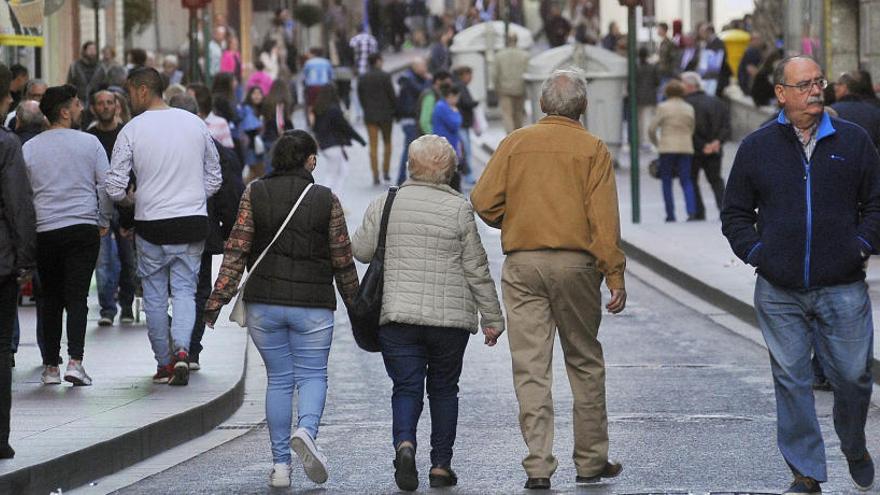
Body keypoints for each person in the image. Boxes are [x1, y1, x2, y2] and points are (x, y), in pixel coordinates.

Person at [722, 55, 880, 495]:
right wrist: (758, 253)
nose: (816, 90)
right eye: (805, 84)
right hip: (779, 288)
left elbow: (877, 204)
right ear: (781, 94)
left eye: (820, 82)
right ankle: (805, 472)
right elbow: (734, 212)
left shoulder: (854, 140)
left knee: (853, 375)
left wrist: (861, 245)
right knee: (791, 379)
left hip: (843, 284)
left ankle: (852, 443)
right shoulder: (757, 147)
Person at [470, 69, 626, 491]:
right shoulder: (592, 148)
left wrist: (515, 220)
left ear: (541, 105)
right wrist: (614, 273)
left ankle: (538, 464)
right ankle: (591, 460)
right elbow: (604, 220)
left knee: (531, 367)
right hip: (576, 264)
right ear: (584, 106)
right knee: (584, 361)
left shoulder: (515, 143)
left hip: (522, 263)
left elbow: (482, 201)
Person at [205, 130, 358, 488]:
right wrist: (356, 302)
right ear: (310, 161)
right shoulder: (325, 198)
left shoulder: (254, 192)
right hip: (313, 306)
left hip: (265, 305)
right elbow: (342, 257)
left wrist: (218, 299)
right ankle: (306, 430)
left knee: (279, 379)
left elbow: (237, 249)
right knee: (312, 375)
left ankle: (280, 466)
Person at [352, 134, 504, 492]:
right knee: (444, 389)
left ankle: (405, 444)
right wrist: (492, 318)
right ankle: (440, 465)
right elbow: (476, 269)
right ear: (450, 172)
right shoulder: (459, 210)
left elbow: (359, 251)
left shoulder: (387, 203)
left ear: (409, 167)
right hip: (449, 323)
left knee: (406, 387)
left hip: (398, 317)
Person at [105, 67, 222, 386]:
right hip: (192, 222)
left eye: (130, 92)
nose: (128, 99)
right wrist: (192, 194)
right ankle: (184, 350)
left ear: (143, 90)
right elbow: (215, 177)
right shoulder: (195, 125)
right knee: (185, 290)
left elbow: (114, 186)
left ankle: (164, 362)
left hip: (151, 222)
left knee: (156, 295)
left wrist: (132, 200)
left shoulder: (132, 130)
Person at [22, 84, 112, 387]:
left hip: (45, 230)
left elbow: (24, 193)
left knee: (50, 299)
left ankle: (50, 367)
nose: (80, 109)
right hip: (82, 227)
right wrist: (104, 219)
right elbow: (105, 186)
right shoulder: (90, 143)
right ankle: (75, 362)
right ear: (63, 111)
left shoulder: (30, 148)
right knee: (77, 297)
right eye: (75, 104)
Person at [167, 93, 241, 371]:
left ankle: (176, 347)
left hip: (162, 228)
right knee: (197, 290)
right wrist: (227, 228)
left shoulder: (159, 147)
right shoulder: (217, 150)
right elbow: (230, 194)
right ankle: (190, 349)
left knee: (163, 289)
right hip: (201, 228)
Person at [0, 63, 37, 459]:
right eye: (7, 94)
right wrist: (26, 257)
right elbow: (18, 205)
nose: (11, 99)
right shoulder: (6, 144)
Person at [88, 89, 137, 326]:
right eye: (101, 103)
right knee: (103, 262)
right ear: (94, 108)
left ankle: (126, 305)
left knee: (129, 261)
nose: (106, 107)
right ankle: (107, 308)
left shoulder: (127, 132)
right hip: (99, 206)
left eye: (110, 102)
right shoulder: (90, 137)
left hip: (126, 205)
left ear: (116, 106)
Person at [681, 71, 730, 220]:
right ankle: (725, 211)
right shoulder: (718, 102)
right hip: (715, 149)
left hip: (694, 149)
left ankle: (698, 212)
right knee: (716, 180)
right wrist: (717, 142)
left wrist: (702, 145)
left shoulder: (686, 105)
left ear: (689, 86)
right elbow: (727, 126)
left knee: (692, 179)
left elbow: (689, 129)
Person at [649, 79, 697, 222]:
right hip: (686, 147)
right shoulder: (689, 108)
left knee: (666, 181)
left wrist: (657, 143)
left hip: (667, 147)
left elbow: (652, 129)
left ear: (667, 92)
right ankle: (692, 211)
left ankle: (670, 214)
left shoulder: (663, 107)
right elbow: (692, 127)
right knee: (686, 180)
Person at [311, 85, 366, 195]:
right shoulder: (334, 110)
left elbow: (315, 128)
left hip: (325, 145)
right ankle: (326, 200)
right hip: (334, 144)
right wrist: (360, 139)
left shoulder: (318, 109)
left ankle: (334, 199)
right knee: (333, 173)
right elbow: (345, 127)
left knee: (342, 170)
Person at [357, 53, 397, 185]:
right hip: (386, 115)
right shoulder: (385, 76)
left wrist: (366, 109)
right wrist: (394, 110)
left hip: (370, 116)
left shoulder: (362, 78)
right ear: (378, 61)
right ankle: (385, 171)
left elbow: (360, 96)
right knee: (387, 144)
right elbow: (391, 95)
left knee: (373, 146)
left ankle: (375, 174)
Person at [395, 57, 432, 185]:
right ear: (416, 67)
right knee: (410, 149)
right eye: (424, 66)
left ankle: (406, 177)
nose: (426, 69)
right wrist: (428, 81)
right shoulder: (410, 79)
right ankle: (402, 177)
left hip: (408, 118)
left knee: (411, 148)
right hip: (410, 118)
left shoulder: (409, 78)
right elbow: (422, 91)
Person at [831, 71, 880, 150]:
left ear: (845, 87)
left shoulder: (832, 111)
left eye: (838, 84)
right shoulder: (874, 110)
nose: (835, 87)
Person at [493, 33, 530, 134]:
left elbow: (495, 74)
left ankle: (510, 135)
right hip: (520, 89)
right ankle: (518, 135)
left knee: (507, 115)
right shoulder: (525, 55)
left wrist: (496, 88)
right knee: (518, 114)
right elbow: (527, 73)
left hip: (504, 89)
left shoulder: (499, 55)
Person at [188, 84, 234, 149]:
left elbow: (228, 150)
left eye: (189, 97)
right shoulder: (186, 122)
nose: (185, 99)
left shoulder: (220, 123)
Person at [452, 66, 478, 182]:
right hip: (461, 123)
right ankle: (468, 176)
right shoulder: (460, 86)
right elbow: (466, 103)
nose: (471, 78)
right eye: (470, 75)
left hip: (463, 123)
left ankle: (467, 174)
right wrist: (475, 103)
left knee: (464, 149)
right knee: (465, 150)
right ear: (464, 75)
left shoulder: (459, 86)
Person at [636, 46, 661, 148]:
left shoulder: (635, 68)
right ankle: (647, 141)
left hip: (637, 97)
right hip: (650, 97)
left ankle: (640, 140)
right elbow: (657, 81)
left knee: (639, 120)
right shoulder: (653, 67)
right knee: (648, 120)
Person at [431, 84, 462, 163]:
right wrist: (456, 112)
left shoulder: (441, 105)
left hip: (446, 145)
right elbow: (455, 124)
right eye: (457, 97)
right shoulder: (443, 107)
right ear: (451, 96)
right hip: (446, 146)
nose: (458, 100)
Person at [417, 70, 452, 136]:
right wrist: (435, 137)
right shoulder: (430, 95)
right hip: (431, 140)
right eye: (447, 83)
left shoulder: (439, 95)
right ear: (438, 81)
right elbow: (425, 122)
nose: (449, 86)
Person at [303, 47, 335, 112]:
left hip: (312, 86)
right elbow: (331, 76)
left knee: (311, 105)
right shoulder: (327, 62)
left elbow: (305, 75)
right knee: (325, 105)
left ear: (313, 54)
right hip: (324, 87)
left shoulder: (308, 63)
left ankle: (311, 119)